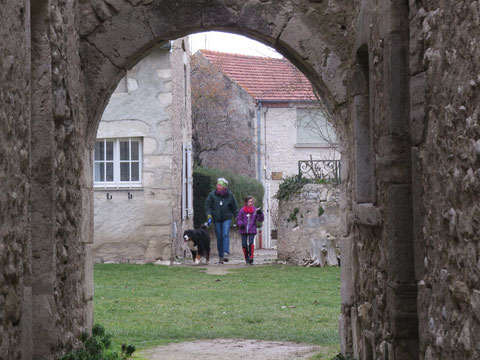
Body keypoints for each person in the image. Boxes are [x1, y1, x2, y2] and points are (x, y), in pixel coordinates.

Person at [205, 178, 238, 264]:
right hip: (216, 219)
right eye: (217, 185)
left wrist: (236, 216)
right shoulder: (212, 194)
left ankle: (226, 252)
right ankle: (220, 256)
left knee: (225, 234)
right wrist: (209, 214)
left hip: (227, 218)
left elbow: (234, 207)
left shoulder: (229, 195)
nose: (218, 186)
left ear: (224, 186)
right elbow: (208, 205)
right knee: (219, 237)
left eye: (220, 185)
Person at [236, 196, 264, 264]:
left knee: (251, 243)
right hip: (243, 230)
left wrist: (260, 213)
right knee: (244, 244)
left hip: (252, 229)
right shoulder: (242, 210)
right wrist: (241, 224)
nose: (250, 203)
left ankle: (251, 257)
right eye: (249, 202)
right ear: (246, 203)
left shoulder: (255, 210)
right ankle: (246, 258)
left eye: (251, 202)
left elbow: (260, 219)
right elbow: (239, 219)